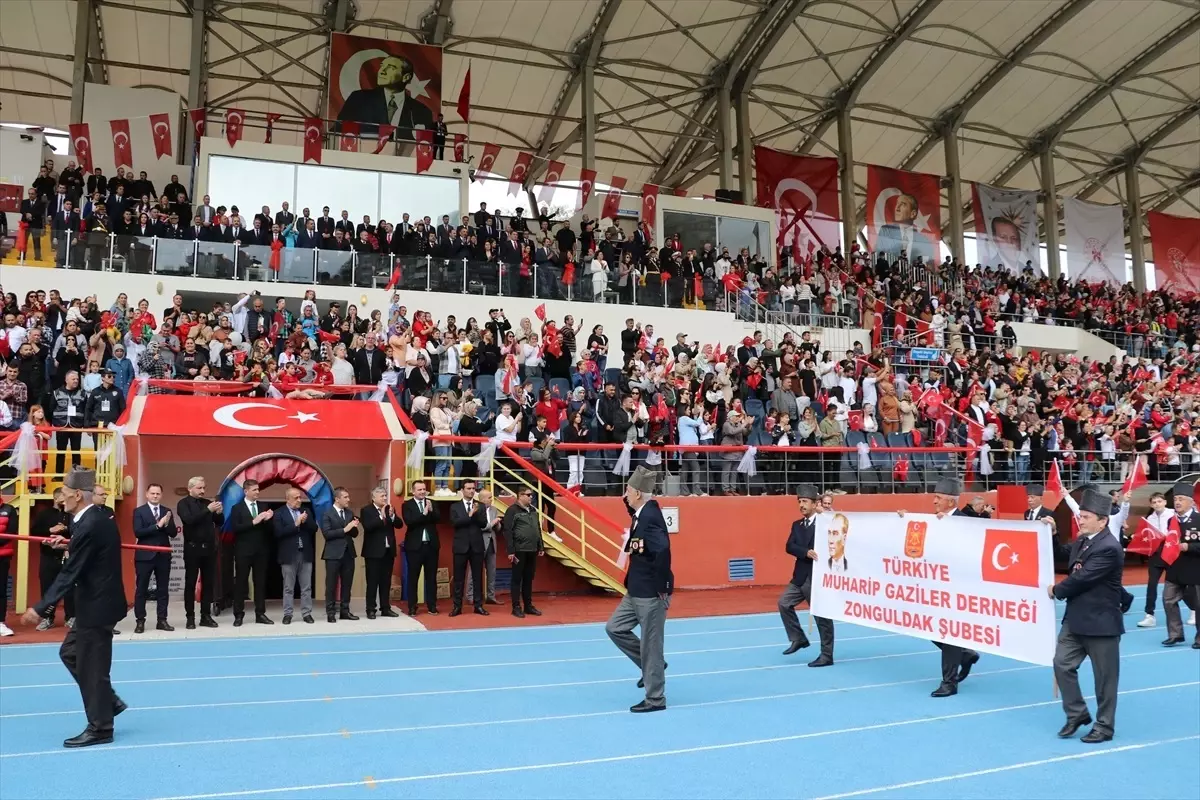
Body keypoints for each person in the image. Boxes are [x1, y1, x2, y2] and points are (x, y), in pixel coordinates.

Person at [21, 468, 128, 748]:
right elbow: (85, 551)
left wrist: (42, 606)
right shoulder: (91, 518)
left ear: (78, 495)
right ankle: (107, 702)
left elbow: (71, 572)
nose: (61, 501)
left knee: (93, 668)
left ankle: (101, 727)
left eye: (66, 496)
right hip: (97, 604)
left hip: (97, 606)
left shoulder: (91, 524)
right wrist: (67, 542)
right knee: (70, 653)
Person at [1050, 489, 1125, 743]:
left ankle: (1104, 727)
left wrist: (1056, 590)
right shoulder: (1083, 541)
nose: (1079, 520)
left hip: (1101, 623)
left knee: (1105, 680)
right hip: (1075, 619)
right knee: (1061, 663)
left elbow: (1082, 578)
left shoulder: (1110, 548)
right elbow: (1062, 554)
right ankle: (1077, 713)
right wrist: (1051, 534)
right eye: (1080, 515)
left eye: (1085, 516)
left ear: (1102, 520)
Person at [900, 476, 979, 697]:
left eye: (938, 497)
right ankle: (964, 655)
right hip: (934, 587)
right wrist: (902, 521)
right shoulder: (933, 521)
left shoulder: (966, 522)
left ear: (951, 502)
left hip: (956, 588)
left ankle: (949, 682)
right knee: (929, 627)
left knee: (948, 632)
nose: (934, 501)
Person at [605, 466, 673, 713]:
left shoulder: (650, 516)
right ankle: (652, 666)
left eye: (627, 490)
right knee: (615, 628)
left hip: (650, 593)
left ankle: (655, 698)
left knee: (651, 645)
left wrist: (663, 587)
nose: (625, 494)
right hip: (635, 589)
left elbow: (662, 550)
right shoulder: (641, 513)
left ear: (637, 494)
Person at [778, 485, 834, 666]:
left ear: (814, 503)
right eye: (799, 501)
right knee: (784, 603)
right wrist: (806, 552)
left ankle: (826, 655)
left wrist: (825, 514)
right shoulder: (797, 525)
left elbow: (841, 526)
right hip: (800, 576)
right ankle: (798, 638)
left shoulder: (825, 522)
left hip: (818, 578)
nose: (801, 505)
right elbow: (789, 546)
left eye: (805, 501)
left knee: (822, 617)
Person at [336, 54, 435, 137]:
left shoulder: (422, 112)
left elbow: (426, 146)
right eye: (382, 66)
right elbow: (337, 131)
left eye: (391, 68)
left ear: (406, 77)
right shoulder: (358, 99)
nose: (382, 71)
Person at [176, 476, 223, 629]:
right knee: (190, 583)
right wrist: (207, 511)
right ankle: (190, 617)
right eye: (199, 488)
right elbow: (189, 520)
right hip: (192, 548)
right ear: (190, 488)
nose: (203, 491)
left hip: (209, 548)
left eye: (204, 488)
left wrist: (219, 513)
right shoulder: (183, 504)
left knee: (208, 583)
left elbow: (219, 522)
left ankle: (205, 616)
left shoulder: (207, 503)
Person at [131, 483, 176, 633]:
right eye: (152, 493)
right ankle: (140, 621)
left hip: (163, 555)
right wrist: (157, 526)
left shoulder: (166, 511)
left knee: (163, 589)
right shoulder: (139, 511)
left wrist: (167, 523)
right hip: (145, 555)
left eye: (158, 494)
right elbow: (138, 532)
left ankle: (162, 620)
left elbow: (173, 533)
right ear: (147, 494)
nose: (155, 496)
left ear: (161, 495)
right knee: (141, 589)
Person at [228, 479, 274, 626]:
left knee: (260, 583)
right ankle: (238, 615)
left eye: (258, 490)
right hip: (243, 551)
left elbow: (270, 531)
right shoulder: (237, 508)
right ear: (246, 491)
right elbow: (235, 528)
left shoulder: (263, 506)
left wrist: (268, 520)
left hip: (261, 551)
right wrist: (254, 521)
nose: (257, 492)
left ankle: (260, 614)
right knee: (241, 583)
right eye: (254, 490)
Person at [1162, 481, 1200, 649]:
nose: (1177, 502)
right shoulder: (1171, 520)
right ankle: (1175, 634)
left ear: (1191, 502)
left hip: (1195, 568)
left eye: (1182, 499)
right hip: (1175, 568)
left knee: (1199, 604)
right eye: (1176, 499)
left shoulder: (1199, 519)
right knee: (1168, 600)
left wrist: (1188, 546)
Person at [273, 487, 316, 625]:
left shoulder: (306, 511)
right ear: (288, 499)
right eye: (296, 498)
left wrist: (306, 521)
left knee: (306, 587)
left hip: (305, 553)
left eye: (300, 497)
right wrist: (295, 524)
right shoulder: (279, 513)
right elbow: (278, 533)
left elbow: (314, 529)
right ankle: (288, 614)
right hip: (288, 555)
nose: (299, 500)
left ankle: (306, 613)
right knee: (288, 587)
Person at [360, 487, 403, 619]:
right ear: (374, 498)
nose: (385, 498)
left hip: (388, 551)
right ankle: (370, 609)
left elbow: (399, 524)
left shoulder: (389, 508)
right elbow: (368, 526)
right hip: (373, 553)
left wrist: (392, 515)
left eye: (385, 495)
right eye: (382, 496)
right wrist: (382, 517)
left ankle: (385, 608)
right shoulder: (366, 510)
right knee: (372, 582)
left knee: (386, 582)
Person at [33, 487, 72, 631]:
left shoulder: (71, 514)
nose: (65, 500)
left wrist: (65, 528)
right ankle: (48, 618)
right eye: (63, 497)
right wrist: (51, 530)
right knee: (47, 587)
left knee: (70, 587)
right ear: (56, 498)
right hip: (48, 556)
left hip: (68, 556)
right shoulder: (44, 514)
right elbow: (34, 532)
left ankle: (71, 617)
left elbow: (78, 531)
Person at [449, 478, 490, 616]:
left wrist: (476, 513)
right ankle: (457, 606)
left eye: (473, 488)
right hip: (460, 546)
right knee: (459, 578)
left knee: (478, 577)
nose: (472, 491)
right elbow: (455, 523)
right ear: (462, 490)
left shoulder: (481, 506)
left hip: (477, 546)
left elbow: (484, 523)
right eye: (469, 488)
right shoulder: (455, 507)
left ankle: (478, 605)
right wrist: (470, 514)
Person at [320, 487, 361, 623]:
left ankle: (345, 611)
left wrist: (355, 526)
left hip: (348, 553)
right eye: (345, 497)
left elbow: (354, 534)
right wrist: (345, 529)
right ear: (337, 499)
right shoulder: (327, 514)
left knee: (347, 584)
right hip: (333, 554)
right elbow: (327, 534)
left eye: (348, 497)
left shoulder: (349, 513)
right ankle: (330, 612)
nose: (348, 499)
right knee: (331, 585)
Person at [502, 487, 543, 618]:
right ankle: (516, 606)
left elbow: (537, 529)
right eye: (529, 495)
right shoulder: (512, 511)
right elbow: (507, 531)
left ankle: (528, 606)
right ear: (520, 495)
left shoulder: (533, 510)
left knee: (528, 579)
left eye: (532, 495)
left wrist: (540, 546)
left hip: (532, 549)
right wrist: (511, 550)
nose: (531, 497)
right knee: (516, 579)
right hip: (519, 550)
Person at [402, 481, 440, 616]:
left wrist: (431, 511)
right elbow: (410, 522)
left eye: (424, 489)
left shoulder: (432, 503)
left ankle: (432, 606)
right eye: (419, 490)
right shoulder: (407, 505)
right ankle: (412, 606)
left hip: (431, 546)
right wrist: (423, 514)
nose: (422, 492)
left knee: (431, 578)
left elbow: (438, 519)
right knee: (413, 578)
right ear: (413, 491)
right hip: (414, 547)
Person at [466, 488, 501, 607]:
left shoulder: (494, 510)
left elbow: (497, 529)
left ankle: (491, 596)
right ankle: (470, 596)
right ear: (482, 499)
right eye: (489, 497)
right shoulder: (476, 510)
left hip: (491, 543)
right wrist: (492, 523)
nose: (492, 499)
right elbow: (480, 527)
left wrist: (498, 524)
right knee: (473, 571)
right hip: (479, 544)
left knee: (492, 571)